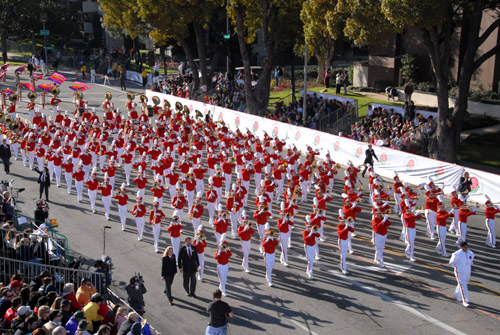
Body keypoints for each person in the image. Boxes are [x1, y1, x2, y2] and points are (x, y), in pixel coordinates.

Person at [449, 241, 474, 307]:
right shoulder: (457, 254)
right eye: (464, 247)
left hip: (467, 271)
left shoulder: (470, 253)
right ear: (461, 247)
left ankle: (457, 295)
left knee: (463, 284)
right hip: (459, 272)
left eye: (467, 247)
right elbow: (452, 262)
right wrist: (458, 267)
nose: (466, 248)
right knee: (464, 286)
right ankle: (465, 300)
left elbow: (471, 260)